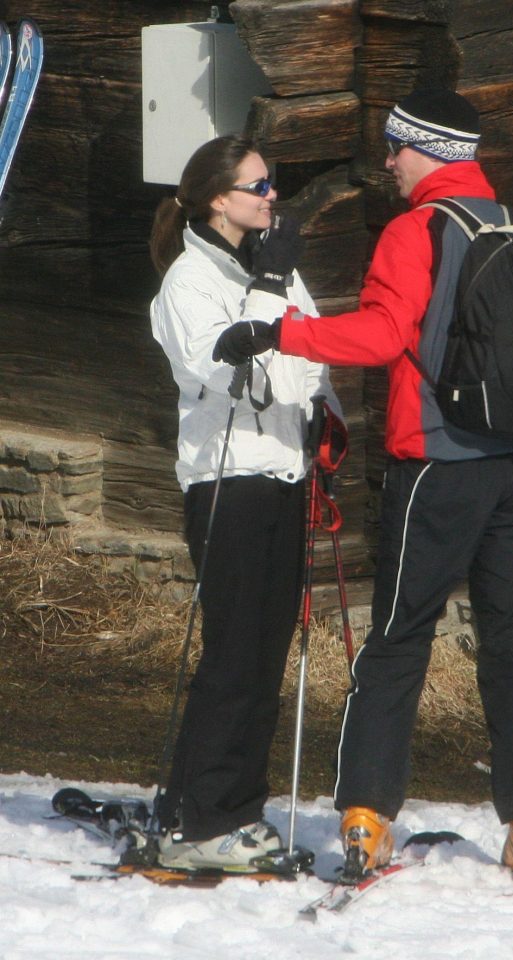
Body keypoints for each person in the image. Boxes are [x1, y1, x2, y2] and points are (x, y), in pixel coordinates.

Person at [224, 89, 513, 889]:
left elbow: (383, 333)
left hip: (437, 464)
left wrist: (278, 331)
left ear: (430, 151)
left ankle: (364, 818)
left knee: (396, 640)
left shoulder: (415, 229)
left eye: (397, 147)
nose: (387, 161)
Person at [148, 135, 342, 871]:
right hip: (227, 482)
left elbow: (308, 354)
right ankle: (203, 815)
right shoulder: (186, 286)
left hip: (285, 474)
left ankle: (227, 806)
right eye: (259, 187)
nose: (272, 198)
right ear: (216, 198)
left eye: (273, 185)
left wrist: (328, 421)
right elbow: (234, 376)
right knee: (233, 652)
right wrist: (267, 288)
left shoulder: (275, 270)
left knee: (265, 650)